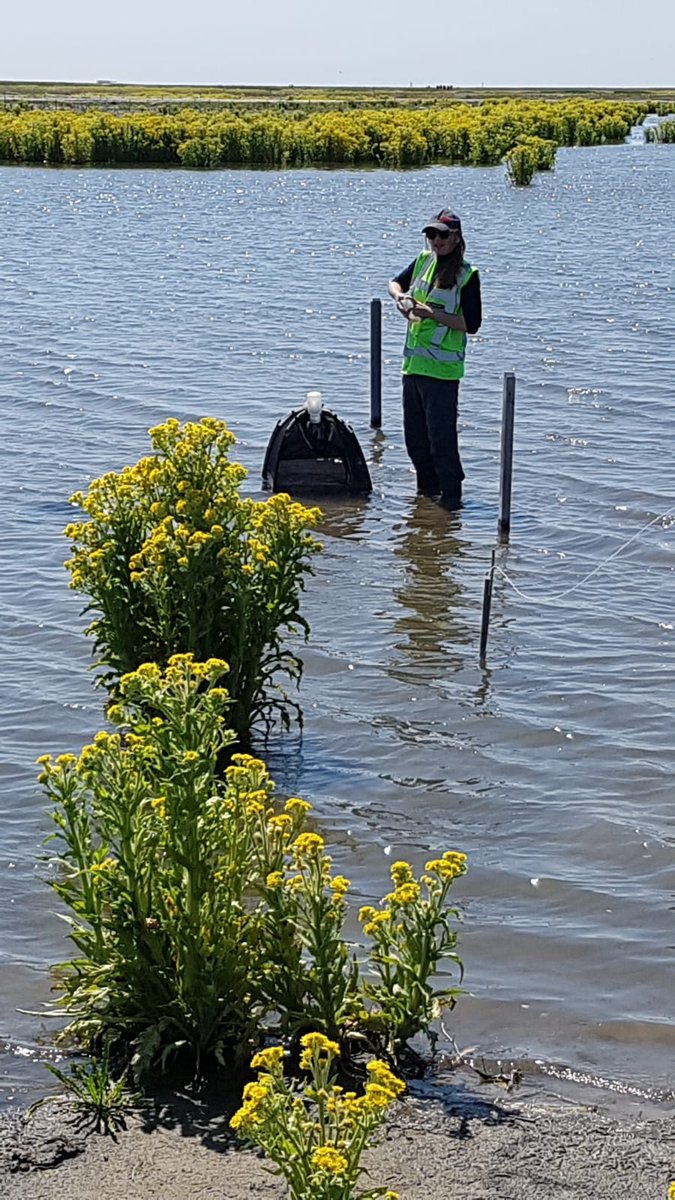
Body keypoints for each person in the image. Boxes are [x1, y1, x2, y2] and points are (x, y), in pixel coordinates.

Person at [388, 208, 482, 509]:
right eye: (431, 234)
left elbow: (472, 324)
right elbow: (394, 283)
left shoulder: (467, 275)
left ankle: (452, 503)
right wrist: (400, 299)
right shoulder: (423, 261)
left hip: (442, 373)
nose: (436, 240)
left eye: (442, 235)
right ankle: (426, 503)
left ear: (456, 237)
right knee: (415, 442)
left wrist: (433, 314)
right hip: (413, 367)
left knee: (442, 442)